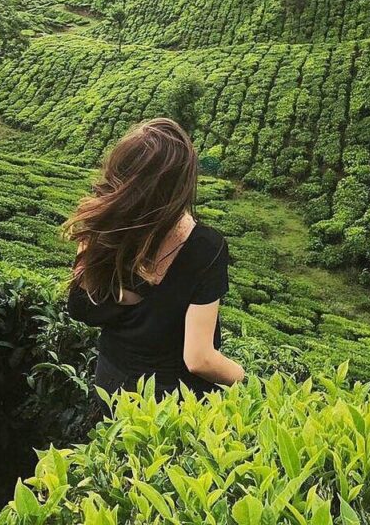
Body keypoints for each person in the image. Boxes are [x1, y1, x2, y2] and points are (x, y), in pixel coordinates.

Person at [64, 117, 244, 412]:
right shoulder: (206, 247)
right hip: (172, 407)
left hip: (111, 389)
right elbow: (199, 359)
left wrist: (120, 295)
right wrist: (249, 381)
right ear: (181, 184)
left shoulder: (105, 226)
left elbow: (79, 307)